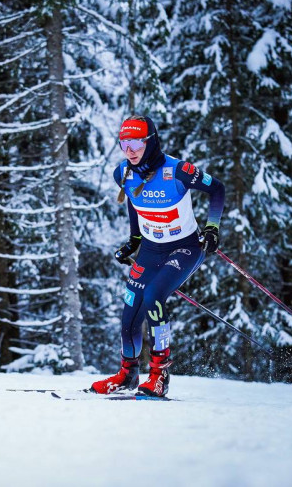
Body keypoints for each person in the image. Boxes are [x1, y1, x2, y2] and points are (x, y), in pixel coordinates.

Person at [90, 115, 225, 396]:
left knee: (153, 297)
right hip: (151, 249)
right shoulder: (123, 173)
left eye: (136, 142)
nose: (130, 150)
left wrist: (212, 228)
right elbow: (133, 201)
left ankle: (159, 375)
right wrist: (134, 239)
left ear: (149, 141)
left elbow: (217, 189)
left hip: (185, 247)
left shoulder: (178, 171)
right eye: (124, 143)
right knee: (129, 316)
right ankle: (127, 375)